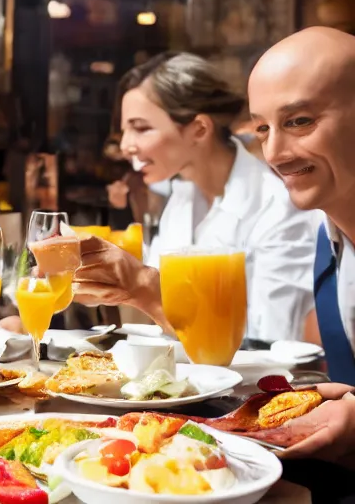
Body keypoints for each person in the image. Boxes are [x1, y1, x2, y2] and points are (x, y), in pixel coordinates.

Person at [72, 27, 355, 469]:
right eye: (262, 128)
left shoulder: (288, 204)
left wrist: (146, 287)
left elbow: (262, 342)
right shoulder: (327, 233)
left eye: (300, 120)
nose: (275, 152)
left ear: (200, 129)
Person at [115, 52, 316, 343]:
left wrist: (145, 294)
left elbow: (270, 341)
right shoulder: (182, 198)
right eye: (124, 131)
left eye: (141, 128)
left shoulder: (278, 208)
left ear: (199, 129)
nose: (125, 146)